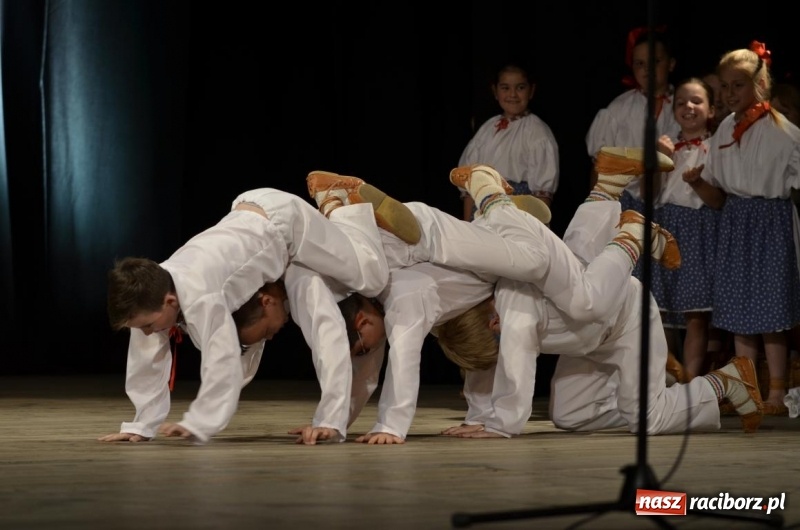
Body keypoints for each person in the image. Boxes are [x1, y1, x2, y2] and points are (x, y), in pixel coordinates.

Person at [327, 148, 683, 444]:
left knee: (576, 294)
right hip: (469, 245)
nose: (366, 354)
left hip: (469, 243)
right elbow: (479, 364)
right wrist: (334, 423)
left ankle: (490, 193)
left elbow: (411, 361)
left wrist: (391, 426)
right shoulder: (432, 317)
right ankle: (607, 184)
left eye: (360, 348)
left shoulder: (406, 303)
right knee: (578, 263)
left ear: (361, 321)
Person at [434, 167, 765, 439]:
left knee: (647, 419)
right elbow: (481, 369)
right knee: (571, 415)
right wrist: (475, 417)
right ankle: (606, 192)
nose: (503, 349)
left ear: (494, 323)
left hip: (626, 319)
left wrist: (499, 426)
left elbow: (516, 375)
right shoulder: (482, 308)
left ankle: (722, 384)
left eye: (499, 342)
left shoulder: (514, 314)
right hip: (589, 338)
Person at [98, 182, 421, 444]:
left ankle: (341, 203)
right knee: (323, 298)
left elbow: (222, 361)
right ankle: (337, 212)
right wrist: (140, 426)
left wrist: (200, 423)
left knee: (371, 278)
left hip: (285, 222)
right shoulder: (156, 288)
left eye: (149, 325)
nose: (147, 332)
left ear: (170, 301)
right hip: (250, 213)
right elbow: (146, 359)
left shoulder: (200, 295)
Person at [691, 41, 800, 416]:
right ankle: (747, 391)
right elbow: (719, 196)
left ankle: (776, 394)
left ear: (760, 83)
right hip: (735, 223)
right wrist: (697, 184)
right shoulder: (723, 130)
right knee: (739, 314)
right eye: (724, 86)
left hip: (770, 224)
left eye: (738, 84)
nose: (729, 93)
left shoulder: (784, 133)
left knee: (770, 314)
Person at [648, 77, 720, 380]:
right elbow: (650, 194)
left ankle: (690, 379)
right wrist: (659, 158)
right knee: (660, 310)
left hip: (699, 230)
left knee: (695, 315)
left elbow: (718, 201)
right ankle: (666, 377)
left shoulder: (716, 148)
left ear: (712, 109)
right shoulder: (667, 145)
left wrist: (698, 182)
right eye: (681, 102)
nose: (688, 107)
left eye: (696, 101)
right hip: (666, 227)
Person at [586, 26, 680, 213]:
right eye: (639, 63)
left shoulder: (684, 104)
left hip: (672, 205)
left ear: (670, 63)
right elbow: (600, 166)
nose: (647, 69)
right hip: (626, 202)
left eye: (655, 61)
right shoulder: (619, 109)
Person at [457, 62, 559, 220]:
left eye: (520, 88)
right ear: (495, 91)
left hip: (517, 213)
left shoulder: (537, 133)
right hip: (482, 211)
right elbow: (470, 184)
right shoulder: (487, 129)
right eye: (505, 88)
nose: (512, 94)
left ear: (531, 91)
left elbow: (542, 196)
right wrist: (466, 225)